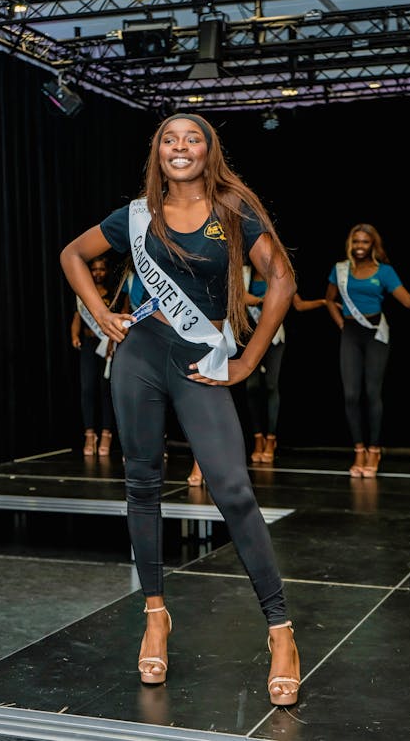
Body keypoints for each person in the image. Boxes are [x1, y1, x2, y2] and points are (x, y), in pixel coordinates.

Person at [60, 113, 300, 706]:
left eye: (192, 138)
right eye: (170, 139)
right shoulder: (136, 215)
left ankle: (281, 631)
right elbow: (72, 255)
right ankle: (156, 615)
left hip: (202, 357)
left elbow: (283, 281)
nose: (180, 146)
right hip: (141, 352)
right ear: (157, 153)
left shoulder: (232, 210)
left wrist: (245, 362)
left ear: (208, 150)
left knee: (233, 488)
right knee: (141, 484)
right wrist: (102, 314)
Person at [325, 223, 410, 477]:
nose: (360, 247)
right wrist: (341, 323)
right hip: (350, 332)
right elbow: (329, 299)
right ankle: (359, 450)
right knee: (351, 394)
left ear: (373, 245)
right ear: (351, 243)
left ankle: (374, 450)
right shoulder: (340, 269)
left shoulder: (385, 271)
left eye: (365, 242)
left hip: (376, 334)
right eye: (356, 242)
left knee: (372, 393)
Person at [245, 264, 332, 464]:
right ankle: (258, 438)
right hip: (251, 338)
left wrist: (323, 302)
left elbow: (298, 305)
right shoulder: (243, 273)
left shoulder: (278, 275)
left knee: (271, 385)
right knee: (252, 386)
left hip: (275, 338)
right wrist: (263, 300)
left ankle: (271, 439)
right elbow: (241, 297)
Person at [70, 255, 115, 456]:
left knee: (106, 389)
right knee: (87, 387)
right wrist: (74, 335)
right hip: (89, 344)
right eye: (94, 269)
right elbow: (77, 317)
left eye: (101, 269)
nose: (98, 273)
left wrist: (113, 343)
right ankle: (90, 433)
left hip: (107, 345)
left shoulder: (114, 294)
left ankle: (106, 433)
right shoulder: (85, 294)